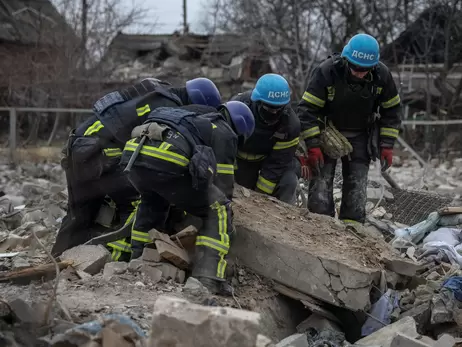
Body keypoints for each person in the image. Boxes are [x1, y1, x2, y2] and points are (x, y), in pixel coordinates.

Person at [51, 78, 222, 258]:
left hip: (77, 147)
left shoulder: (155, 91)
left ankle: (54, 264)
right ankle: (126, 263)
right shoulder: (170, 107)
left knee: (78, 215)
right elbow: (156, 153)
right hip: (101, 153)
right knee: (138, 201)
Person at [120, 101, 255, 293]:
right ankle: (207, 277)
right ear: (240, 127)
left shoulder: (195, 115)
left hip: (134, 156)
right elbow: (223, 186)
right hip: (167, 158)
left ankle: (137, 261)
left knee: (153, 201)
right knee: (219, 208)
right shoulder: (225, 132)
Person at [297, 33, 402, 225]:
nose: (359, 73)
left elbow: (392, 111)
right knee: (320, 187)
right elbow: (307, 111)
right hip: (326, 133)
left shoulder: (382, 75)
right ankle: (321, 227)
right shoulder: (327, 72)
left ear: (374, 66)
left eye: (365, 69)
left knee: (356, 189)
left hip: (361, 135)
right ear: (346, 59)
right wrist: (312, 145)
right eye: (355, 67)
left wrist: (387, 145)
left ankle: (352, 231)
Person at [230, 73, 301, 204]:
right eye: (269, 108)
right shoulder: (237, 108)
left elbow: (277, 163)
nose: (273, 113)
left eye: (277, 109)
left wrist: (260, 198)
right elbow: (225, 144)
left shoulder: (290, 125)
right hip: (237, 161)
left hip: (266, 163)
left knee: (289, 179)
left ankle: (284, 219)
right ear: (258, 101)